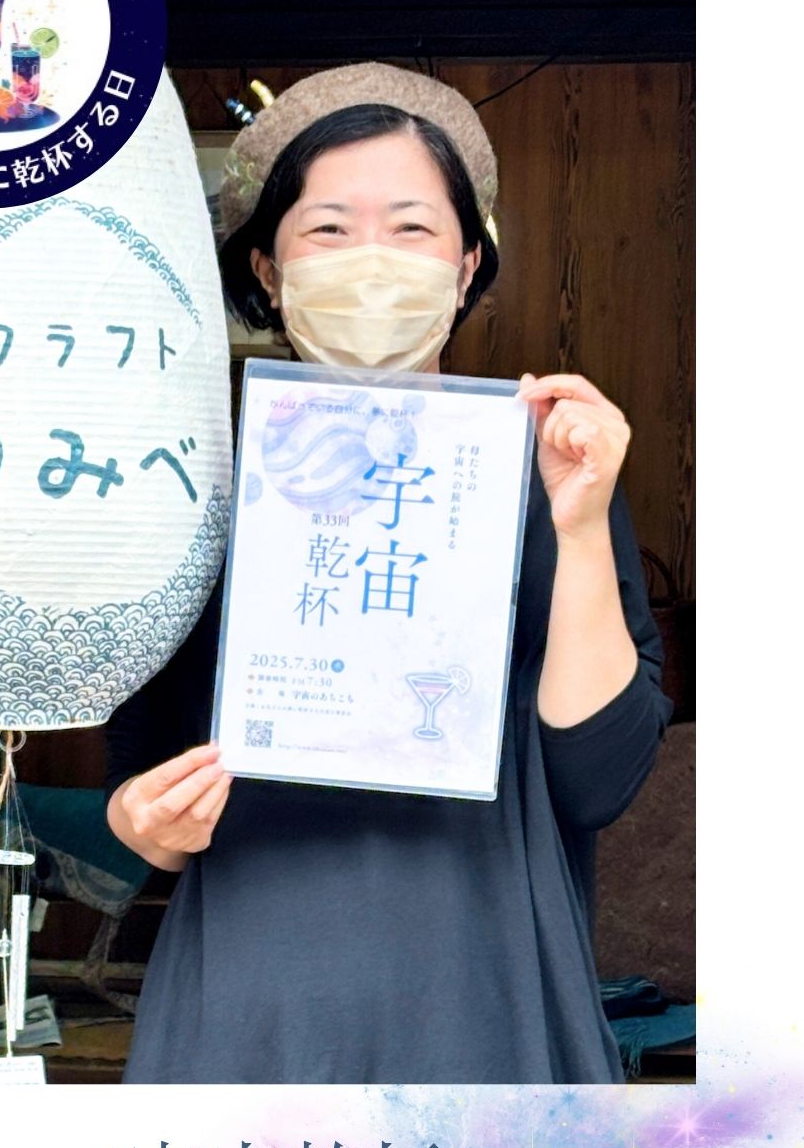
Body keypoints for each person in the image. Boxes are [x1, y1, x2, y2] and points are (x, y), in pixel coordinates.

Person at [105, 63, 671, 1084]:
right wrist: (142, 820)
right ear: (268, 267)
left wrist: (581, 525)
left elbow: (597, 781)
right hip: (252, 1010)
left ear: (467, 264)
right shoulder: (200, 482)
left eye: (411, 228)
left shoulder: (549, 469)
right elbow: (140, 777)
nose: (372, 261)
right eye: (328, 229)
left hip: (496, 1001)